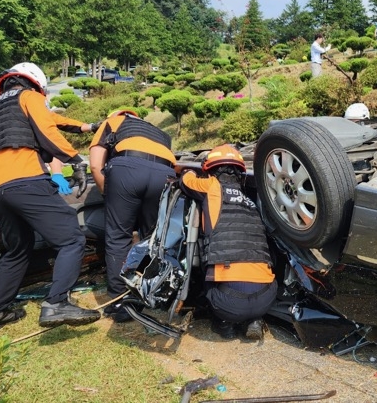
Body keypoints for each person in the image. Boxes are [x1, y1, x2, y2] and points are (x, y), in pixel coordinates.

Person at [0, 62, 100, 329]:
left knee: (18, 247)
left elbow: (52, 119)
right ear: (36, 85)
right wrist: (75, 160)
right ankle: (56, 303)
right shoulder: (28, 97)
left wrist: (87, 126)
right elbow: (47, 129)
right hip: (25, 180)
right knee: (71, 239)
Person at [178, 145, 276, 340]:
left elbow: (186, 182)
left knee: (207, 276)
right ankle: (254, 319)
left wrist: (187, 171)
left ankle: (225, 324)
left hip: (230, 303)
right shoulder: (250, 201)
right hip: (266, 299)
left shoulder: (212, 186)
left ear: (210, 171)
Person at [89, 109, 176, 323]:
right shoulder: (158, 132)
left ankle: (120, 302)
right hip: (164, 174)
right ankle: (149, 291)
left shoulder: (113, 121)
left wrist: (108, 193)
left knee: (119, 237)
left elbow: (94, 163)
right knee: (152, 238)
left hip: (128, 167)